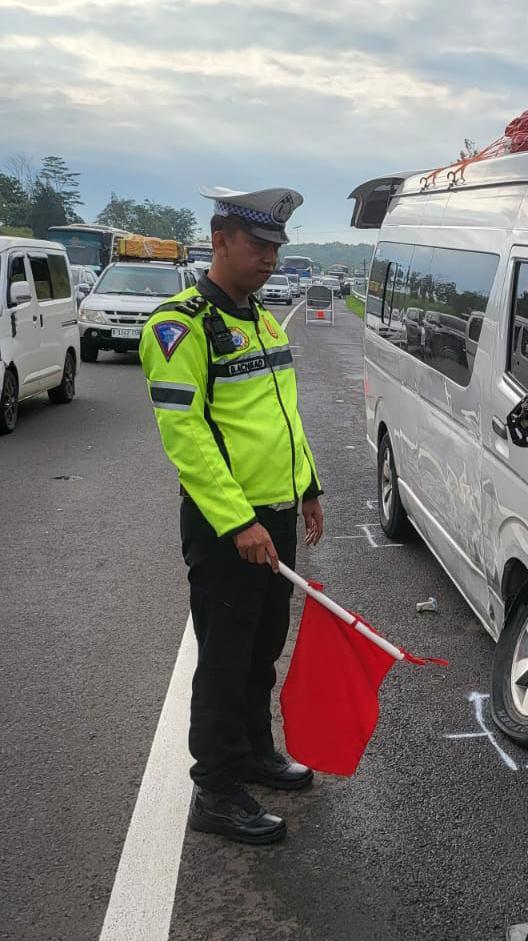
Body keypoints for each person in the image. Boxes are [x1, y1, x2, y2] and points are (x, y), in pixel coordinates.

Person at [139, 186, 324, 845]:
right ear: (219, 242)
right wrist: (239, 521)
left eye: (277, 247)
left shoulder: (261, 319)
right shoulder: (180, 326)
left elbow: (281, 417)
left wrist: (308, 487)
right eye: (258, 246)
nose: (270, 258)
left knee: (261, 648)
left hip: (273, 518)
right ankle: (216, 790)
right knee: (224, 658)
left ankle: (253, 751)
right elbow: (185, 436)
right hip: (229, 529)